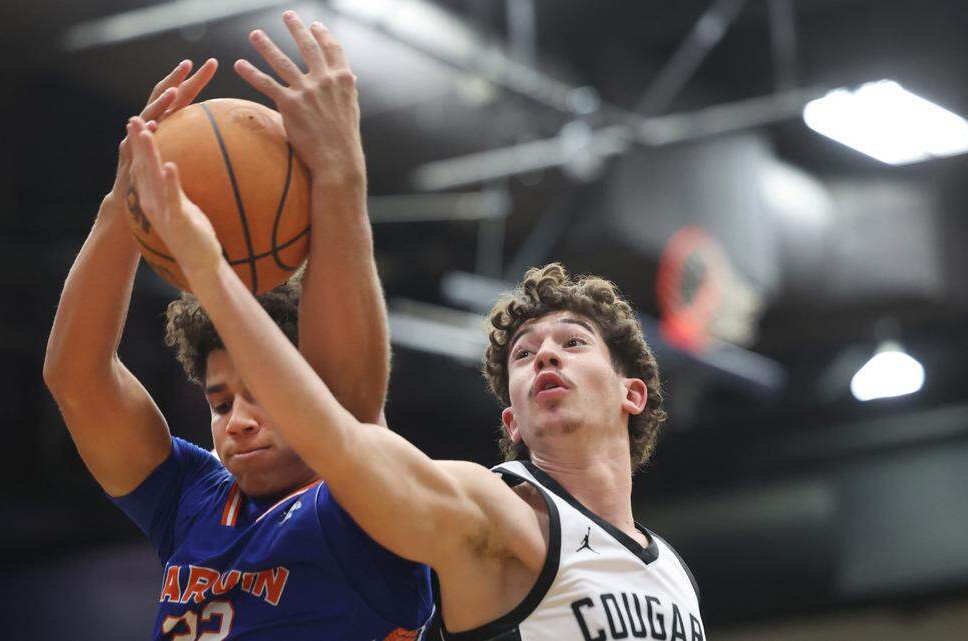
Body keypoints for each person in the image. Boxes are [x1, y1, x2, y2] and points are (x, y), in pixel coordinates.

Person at [126, 79, 707, 641]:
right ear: (511, 421)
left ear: (632, 393)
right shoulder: (494, 514)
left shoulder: (673, 574)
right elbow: (345, 437)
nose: (545, 354)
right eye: (524, 356)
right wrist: (218, 266)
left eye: (572, 342)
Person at [43, 11, 432, 641]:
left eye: (267, 395)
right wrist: (125, 206)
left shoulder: (365, 500)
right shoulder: (192, 500)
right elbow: (76, 381)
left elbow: (351, 411)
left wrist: (339, 174)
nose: (239, 421)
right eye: (221, 402)